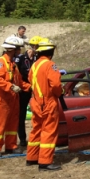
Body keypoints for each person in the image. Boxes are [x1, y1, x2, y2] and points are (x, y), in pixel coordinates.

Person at [26, 38, 63, 171]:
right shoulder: (50, 65)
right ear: (50, 52)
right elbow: (56, 85)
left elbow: (30, 80)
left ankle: (32, 157)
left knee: (36, 130)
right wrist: (60, 92)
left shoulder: (35, 65)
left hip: (35, 102)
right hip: (47, 102)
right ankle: (45, 162)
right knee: (49, 131)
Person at [0, 36, 30, 158]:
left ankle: (11, 145)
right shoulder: (1, 62)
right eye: (19, 49)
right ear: (13, 49)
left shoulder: (13, 64)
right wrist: (10, 87)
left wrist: (31, 87)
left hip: (13, 99)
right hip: (2, 99)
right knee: (0, 123)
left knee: (12, 123)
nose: (20, 52)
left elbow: (19, 82)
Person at [14, 35, 42, 147]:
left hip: (36, 90)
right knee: (21, 114)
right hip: (24, 90)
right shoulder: (21, 58)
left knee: (39, 113)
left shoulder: (38, 59)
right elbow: (17, 76)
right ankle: (22, 139)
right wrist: (26, 86)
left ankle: (38, 138)